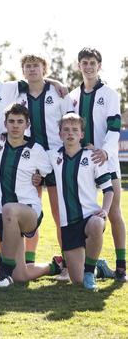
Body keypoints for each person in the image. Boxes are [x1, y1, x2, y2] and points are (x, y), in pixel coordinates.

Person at [68, 47, 126, 282]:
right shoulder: (72, 95)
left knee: (113, 212)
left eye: (92, 62)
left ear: (99, 65)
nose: (88, 66)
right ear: (79, 66)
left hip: (106, 159)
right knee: (84, 213)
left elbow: (114, 127)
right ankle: (88, 263)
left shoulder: (110, 94)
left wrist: (104, 151)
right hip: (81, 164)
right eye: (84, 62)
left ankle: (121, 266)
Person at [0, 104, 62, 287]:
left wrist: (40, 178)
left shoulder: (36, 149)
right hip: (5, 217)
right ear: (4, 124)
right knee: (21, 276)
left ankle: (4, 273)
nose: (15, 125)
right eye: (11, 121)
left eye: (20, 121)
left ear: (27, 124)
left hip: (29, 211)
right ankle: (54, 267)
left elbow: (50, 172)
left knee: (9, 208)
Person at [17, 53, 74, 279]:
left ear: (44, 69)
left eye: (36, 66)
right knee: (31, 213)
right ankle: (28, 263)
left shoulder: (58, 93)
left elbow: (71, 122)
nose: (32, 70)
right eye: (28, 66)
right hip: (29, 160)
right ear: (23, 71)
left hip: (56, 159)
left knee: (60, 215)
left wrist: (57, 83)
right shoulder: (17, 93)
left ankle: (69, 264)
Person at [48, 113, 113, 290]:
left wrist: (105, 210)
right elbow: (37, 170)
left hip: (89, 216)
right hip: (68, 223)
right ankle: (99, 268)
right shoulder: (52, 156)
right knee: (77, 280)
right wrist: (37, 177)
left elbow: (108, 190)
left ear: (81, 134)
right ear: (60, 134)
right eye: (66, 130)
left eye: (75, 130)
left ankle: (90, 271)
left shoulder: (92, 156)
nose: (70, 133)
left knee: (97, 223)